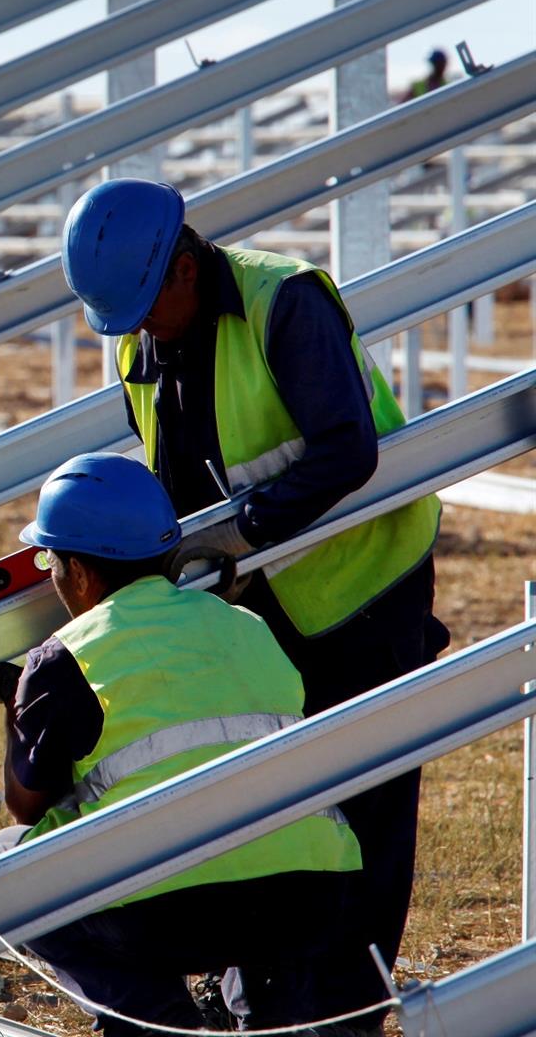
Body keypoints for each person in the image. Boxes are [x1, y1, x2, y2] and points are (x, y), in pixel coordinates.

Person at [60, 177, 445, 1028]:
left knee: (363, 817)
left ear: (186, 270)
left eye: (145, 311)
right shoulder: (138, 345)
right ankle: (259, 1005)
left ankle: (344, 1015)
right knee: (261, 807)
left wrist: (243, 536)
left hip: (359, 593)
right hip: (253, 613)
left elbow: (348, 448)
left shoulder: (285, 303)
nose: (139, 335)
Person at [0, 452, 362, 1034]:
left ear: (79, 572)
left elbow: (28, 804)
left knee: (5, 857)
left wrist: (19, 695)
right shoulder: (244, 624)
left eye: (49, 558)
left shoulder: (67, 655)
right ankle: (275, 1019)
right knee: (255, 843)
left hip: (172, 914)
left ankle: (154, 1021)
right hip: (312, 896)